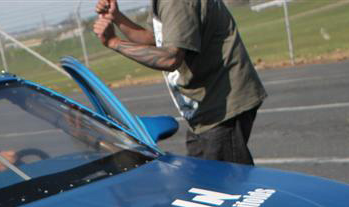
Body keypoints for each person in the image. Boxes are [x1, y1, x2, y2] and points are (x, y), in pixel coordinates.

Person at [93, 0, 267, 165]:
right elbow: (155, 38)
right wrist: (117, 17)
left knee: (226, 181)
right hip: (207, 107)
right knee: (202, 176)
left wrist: (114, 42)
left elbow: (170, 58)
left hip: (222, 106)